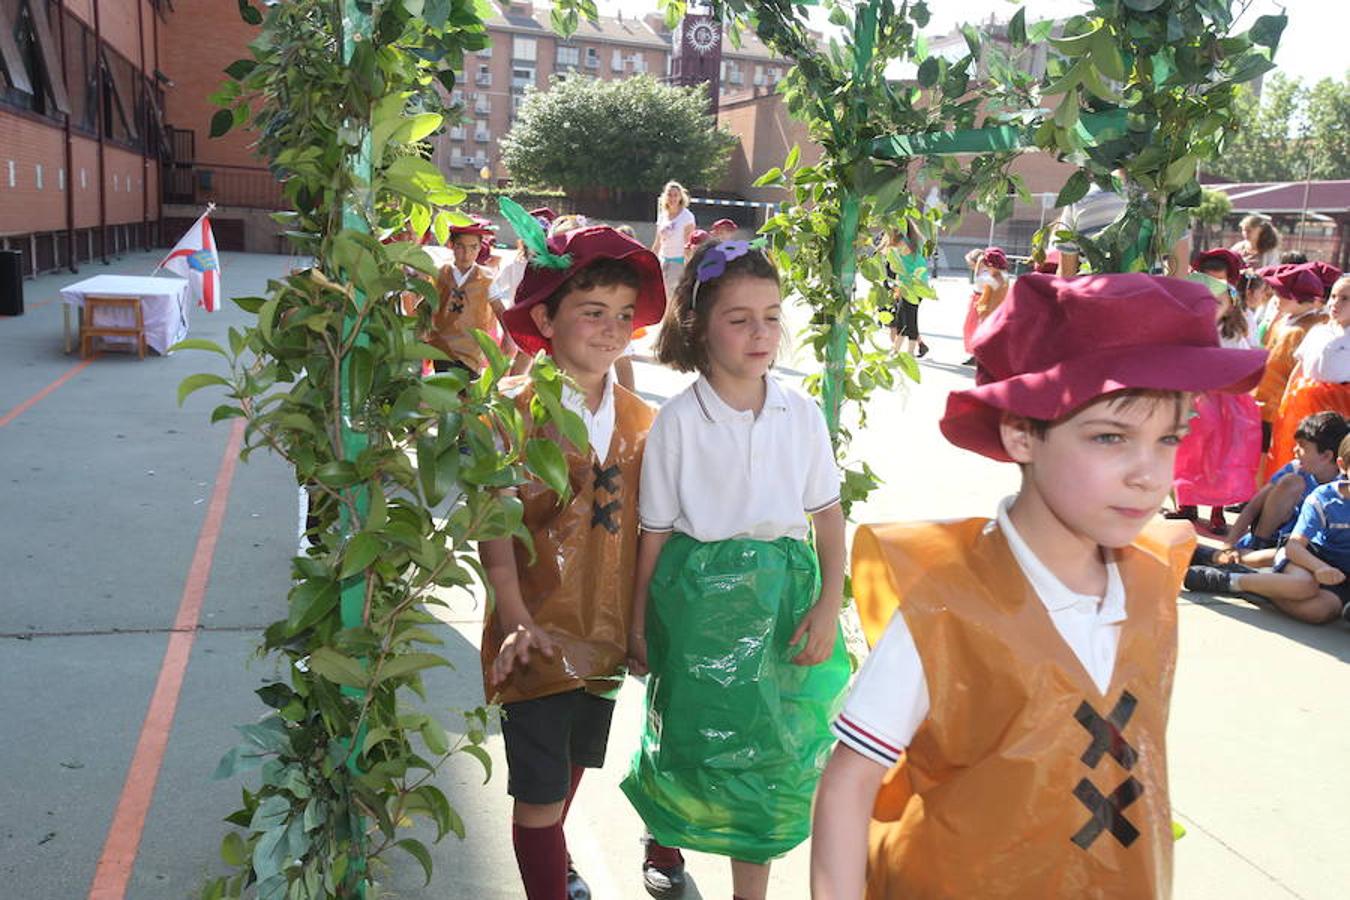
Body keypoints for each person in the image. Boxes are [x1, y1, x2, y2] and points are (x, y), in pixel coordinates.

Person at [809, 273, 1266, 899]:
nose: (1148, 473)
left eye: (1169, 439)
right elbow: (850, 780)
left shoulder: (1153, 582)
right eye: (1111, 437)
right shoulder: (947, 606)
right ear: (1022, 432)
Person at [621, 239, 850, 900]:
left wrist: (827, 604)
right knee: (689, 736)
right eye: (739, 318)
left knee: (770, 753)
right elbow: (655, 534)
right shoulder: (677, 422)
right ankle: (665, 836)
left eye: (772, 316)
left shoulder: (800, 412)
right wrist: (639, 624)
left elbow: (828, 518)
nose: (760, 333)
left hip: (783, 602)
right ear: (698, 327)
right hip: (697, 608)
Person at [481, 225, 667, 900]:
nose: (612, 328)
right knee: (537, 795)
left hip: (608, 636)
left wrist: (639, 627)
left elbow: (650, 534)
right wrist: (514, 619)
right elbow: (495, 534)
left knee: (570, 771)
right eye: (593, 311)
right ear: (544, 317)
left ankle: (553, 861)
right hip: (533, 633)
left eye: (624, 315)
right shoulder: (509, 414)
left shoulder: (643, 421)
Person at [1168, 269, 1263, 535]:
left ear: (1231, 305)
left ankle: (1218, 510)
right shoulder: (1190, 330)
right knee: (1190, 452)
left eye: (1218, 302)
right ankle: (1186, 502)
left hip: (1226, 403)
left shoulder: (1231, 331)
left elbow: (1241, 363)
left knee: (1219, 456)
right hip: (1197, 399)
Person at [1252, 263, 1328, 460]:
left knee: (1269, 457)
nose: (1276, 299)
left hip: (1278, 408)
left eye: (1282, 295)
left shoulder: (1305, 329)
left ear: (1299, 298)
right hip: (1265, 402)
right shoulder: (1287, 320)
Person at [427, 217, 517, 374]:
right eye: (460, 247)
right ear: (451, 245)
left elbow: (499, 309)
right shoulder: (440, 273)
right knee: (443, 390)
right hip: (441, 348)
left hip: (471, 350)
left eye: (473, 248)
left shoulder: (486, 278)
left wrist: (508, 337)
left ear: (480, 248)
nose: (466, 254)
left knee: (466, 393)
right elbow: (427, 305)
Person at [880, 223, 931, 359]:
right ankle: (896, 350)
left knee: (910, 319)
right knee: (902, 319)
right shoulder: (914, 241)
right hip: (911, 286)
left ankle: (909, 352)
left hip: (913, 287)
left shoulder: (904, 243)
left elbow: (888, 252)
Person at [961, 246, 1008, 362]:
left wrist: (981, 311)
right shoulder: (1002, 276)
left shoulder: (993, 278)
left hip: (987, 308)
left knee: (977, 330)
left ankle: (979, 355)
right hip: (989, 307)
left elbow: (979, 282)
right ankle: (978, 355)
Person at [651, 181, 696, 301]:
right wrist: (651, 258)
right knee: (661, 293)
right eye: (670, 195)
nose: (672, 198)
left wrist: (689, 264)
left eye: (675, 195)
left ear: (681, 197)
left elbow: (689, 242)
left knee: (672, 294)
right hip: (663, 259)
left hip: (678, 261)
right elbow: (658, 241)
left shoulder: (687, 217)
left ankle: (671, 318)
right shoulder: (662, 216)